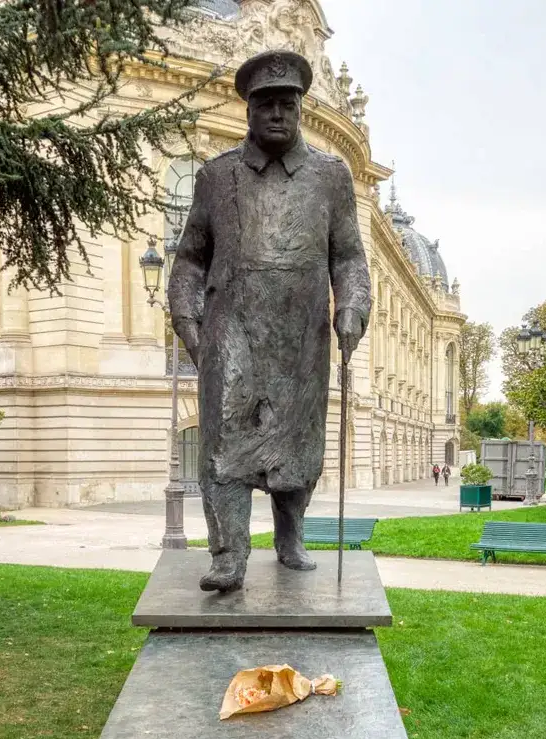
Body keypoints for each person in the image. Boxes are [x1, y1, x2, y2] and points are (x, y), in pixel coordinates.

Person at [169, 50, 371, 593]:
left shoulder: (331, 176)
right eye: (266, 104)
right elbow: (190, 258)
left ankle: (290, 537)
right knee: (225, 445)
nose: (278, 113)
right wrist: (187, 317)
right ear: (249, 111)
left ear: (301, 108)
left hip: (302, 335)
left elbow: (349, 257)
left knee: (299, 445)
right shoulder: (217, 176)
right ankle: (229, 554)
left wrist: (352, 308)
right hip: (231, 329)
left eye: (288, 103)